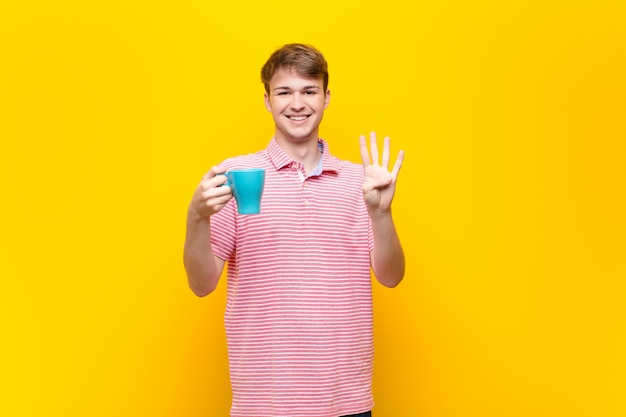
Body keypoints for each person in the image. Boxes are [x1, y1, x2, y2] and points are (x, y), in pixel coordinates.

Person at [183, 43, 405, 417]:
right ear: (268, 101)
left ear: (326, 97)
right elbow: (201, 284)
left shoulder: (360, 181)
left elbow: (392, 276)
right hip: (263, 403)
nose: (297, 103)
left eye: (309, 90)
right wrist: (196, 216)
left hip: (345, 401)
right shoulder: (235, 176)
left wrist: (382, 214)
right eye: (284, 92)